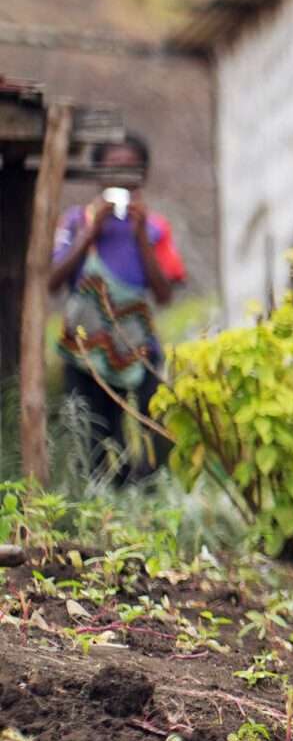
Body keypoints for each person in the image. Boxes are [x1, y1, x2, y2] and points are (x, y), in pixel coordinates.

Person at [48, 134, 186, 485]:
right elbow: (52, 280)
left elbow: (164, 293)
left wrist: (140, 235)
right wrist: (90, 233)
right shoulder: (77, 221)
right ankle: (104, 501)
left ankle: (147, 497)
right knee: (93, 437)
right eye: (113, 167)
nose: (122, 176)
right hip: (85, 354)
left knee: (152, 431)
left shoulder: (155, 228)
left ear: (144, 174)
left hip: (139, 350)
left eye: (130, 168)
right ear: (98, 173)